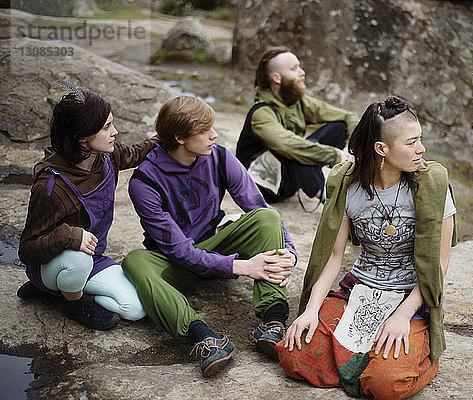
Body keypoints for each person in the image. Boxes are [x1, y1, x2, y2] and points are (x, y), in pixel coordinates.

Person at [275, 96, 458, 399]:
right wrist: (310, 310)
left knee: (386, 384)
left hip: (410, 298)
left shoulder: (432, 183)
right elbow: (335, 257)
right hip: (359, 290)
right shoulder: (347, 185)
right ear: (381, 149)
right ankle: (371, 359)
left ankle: (420, 357)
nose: (421, 149)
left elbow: (438, 265)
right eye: (412, 142)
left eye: (420, 139)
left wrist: (402, 315)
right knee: (294, 353)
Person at [121, 96, 297, 378]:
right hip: (174, 262)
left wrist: (289, 252)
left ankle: (273, 322)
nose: (214, 135)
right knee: (134, 262)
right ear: (179, 137)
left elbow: (258, 206)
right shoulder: (145, 182)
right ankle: (204, 338)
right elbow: (179, 250)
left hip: (215, 244)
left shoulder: (220, 156)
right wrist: (240, 266)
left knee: (267, 219)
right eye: (204, 130)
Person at [17, 82, 151, 331]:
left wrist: (165, 138)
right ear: (83, 138)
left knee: (135, 309)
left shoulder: (106, 157)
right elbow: (27, 250)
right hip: (57, 262)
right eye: (107, 127)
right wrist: (70, 236)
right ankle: (71, 302)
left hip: (93, 258)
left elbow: (134, 153)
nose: (116, 132)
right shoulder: (52, 186)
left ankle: (61, 292)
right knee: (78, 261)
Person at [235, 46, 359, 206]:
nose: (302, 72)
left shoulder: (297, 101)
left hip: (289, 177)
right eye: (294, 69)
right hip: (263, 188)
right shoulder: (261, 113)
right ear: (277, 78)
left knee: (339, 127)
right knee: (294, 151)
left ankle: (328, 189)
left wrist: (350, 150)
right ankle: (332, 201)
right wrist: (335, 155)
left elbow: (349, 116)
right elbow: (287, 146)